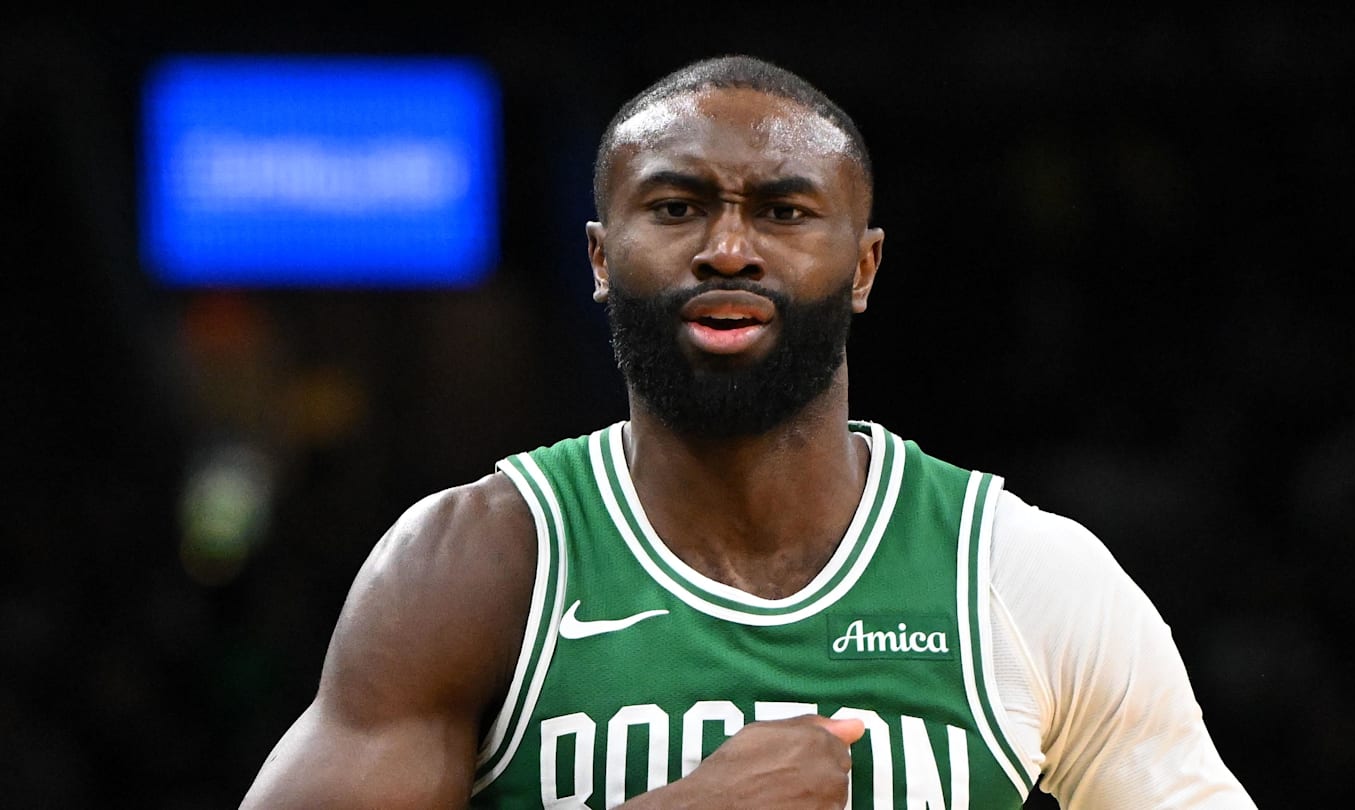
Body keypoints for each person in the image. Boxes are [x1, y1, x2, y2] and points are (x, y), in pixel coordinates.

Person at [240, 55, 1255, 809]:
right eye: (677, 207)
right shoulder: (474, 562)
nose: (728, 248)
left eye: (783, 211)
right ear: (600, 258)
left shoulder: (1020, 573)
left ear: (863, 268)